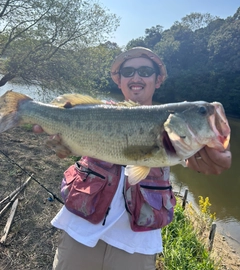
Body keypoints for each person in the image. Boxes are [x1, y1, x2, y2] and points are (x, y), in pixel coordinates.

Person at [34, 47, 231, 270]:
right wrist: (61, 145)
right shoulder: (100, 110)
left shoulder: (175, 133)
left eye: (145, 71)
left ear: (158, 80)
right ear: (119, 81)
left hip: (136, 246)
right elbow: (65, 145)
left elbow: (208, 160)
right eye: (128, 72)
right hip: (80, 231)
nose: (136, 77)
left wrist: (214, 157)